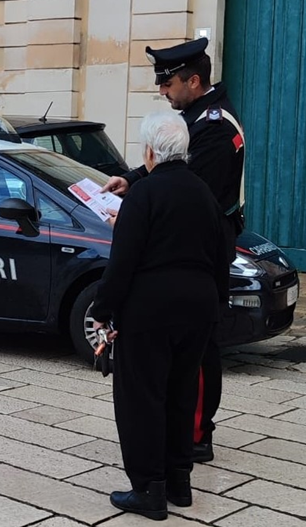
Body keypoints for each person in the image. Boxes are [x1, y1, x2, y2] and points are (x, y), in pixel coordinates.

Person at [102, 37, 244, 463]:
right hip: (192, 248)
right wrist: (130, 179)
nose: (163, 92)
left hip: (200, 250)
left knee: (197, 353)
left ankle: (197, 433)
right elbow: (164, 167)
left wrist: (135, 214)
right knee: (186, 348)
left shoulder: (215, 128)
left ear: (194, 81)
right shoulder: (198, 119)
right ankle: (180, 434)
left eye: (169, 85)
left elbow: (181, 184)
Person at [91, 112, 229, 521]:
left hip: (150, 311)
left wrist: (103, 309)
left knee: (142, 399)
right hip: (198, 310)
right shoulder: (204, 192)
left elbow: (124, 262)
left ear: (149, 151)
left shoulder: (143, 195)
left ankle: (149, 489)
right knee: (181, 394)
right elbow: (221, 254)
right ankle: (179, 483)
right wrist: (215, 305)